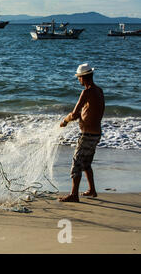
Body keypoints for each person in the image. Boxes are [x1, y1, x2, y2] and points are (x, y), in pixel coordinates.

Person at [59, 63, 105, 203]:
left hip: (88, 135)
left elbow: (74, 114)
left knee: (76, 163)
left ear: (83, 77)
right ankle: (92, 190)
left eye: (79, 77)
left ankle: (74, 195)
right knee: (86, 163)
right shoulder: (99, 91)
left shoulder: (86, 92)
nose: (78, 79)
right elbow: (93, 111)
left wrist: (65, 121)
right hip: (96, 134)